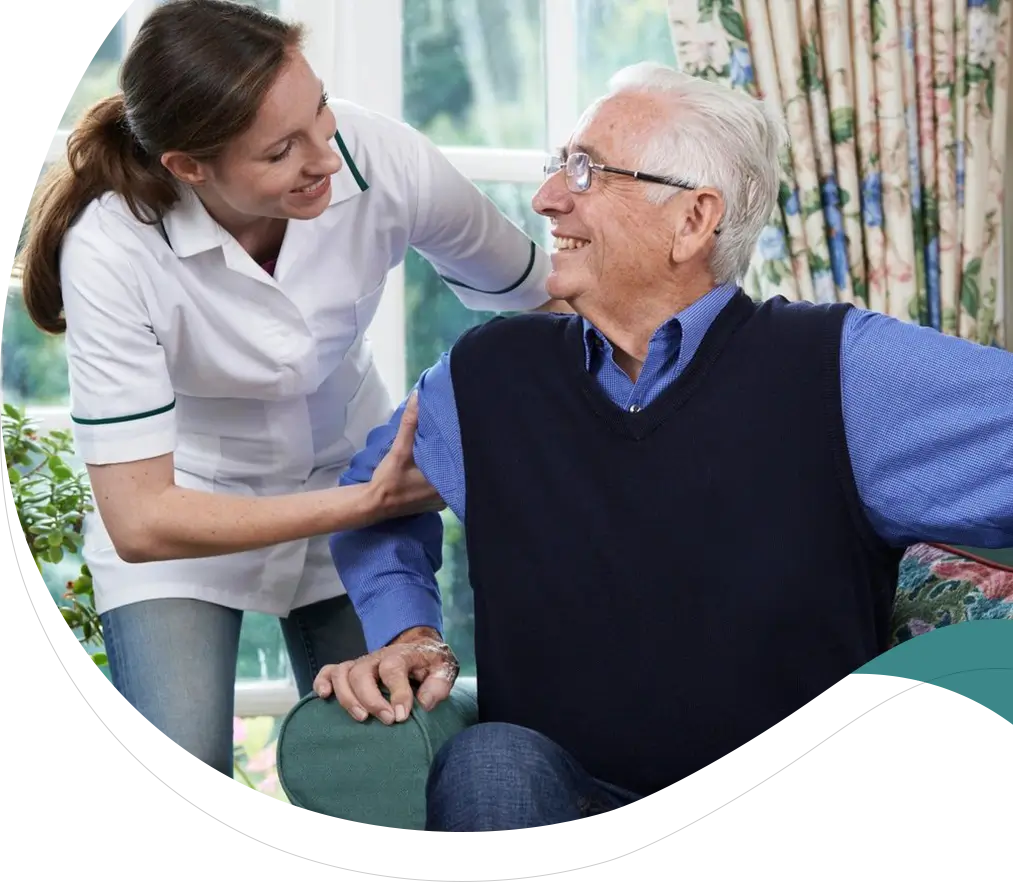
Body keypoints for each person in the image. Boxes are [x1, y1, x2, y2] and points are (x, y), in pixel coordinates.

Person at [314, 62, 1013, 831]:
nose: (547, 197)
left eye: (585, 171)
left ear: (692, 220)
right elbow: (369, 502)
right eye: (556, 166)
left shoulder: (845, 370)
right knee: (491, 759)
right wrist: (410, 631)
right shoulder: (484, 377)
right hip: (568, 791)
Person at [18, 0, 563, 782]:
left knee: (391, 761)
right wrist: (368, 502)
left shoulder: (378, 156)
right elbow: (141, 520)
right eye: (280, 151)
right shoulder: (111, 248)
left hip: (350, 476)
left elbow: (543, 295)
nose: (326, 157)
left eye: (320, 113)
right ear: (189, 167)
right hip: (188, 511)